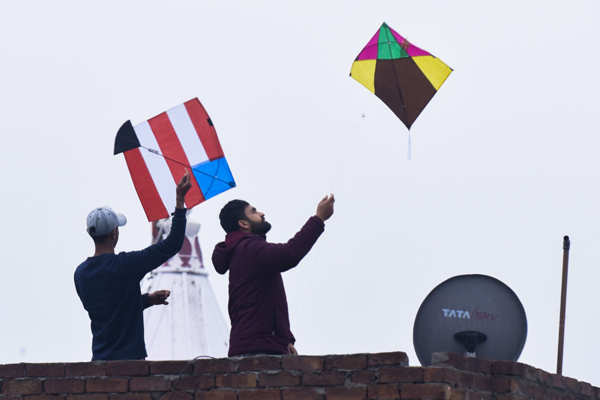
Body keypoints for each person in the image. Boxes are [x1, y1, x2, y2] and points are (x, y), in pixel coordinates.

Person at [74, 172, 192, 360]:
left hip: (99, 360)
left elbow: (108, 308)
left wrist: (146, 300)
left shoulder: (80, 274)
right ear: (114, 233)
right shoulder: (126, 265)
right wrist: (179, 202)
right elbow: (172, 244)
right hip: (130, 362)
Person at [212, 194, 335, 356]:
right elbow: (290, 254)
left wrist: (285, 340)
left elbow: (269, 301)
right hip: (258, 349)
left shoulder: (243, 250)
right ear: (243, 223)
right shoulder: (249, 248)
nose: (262, 213)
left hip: (258, 346)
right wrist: (319, 219)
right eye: (254, 212)